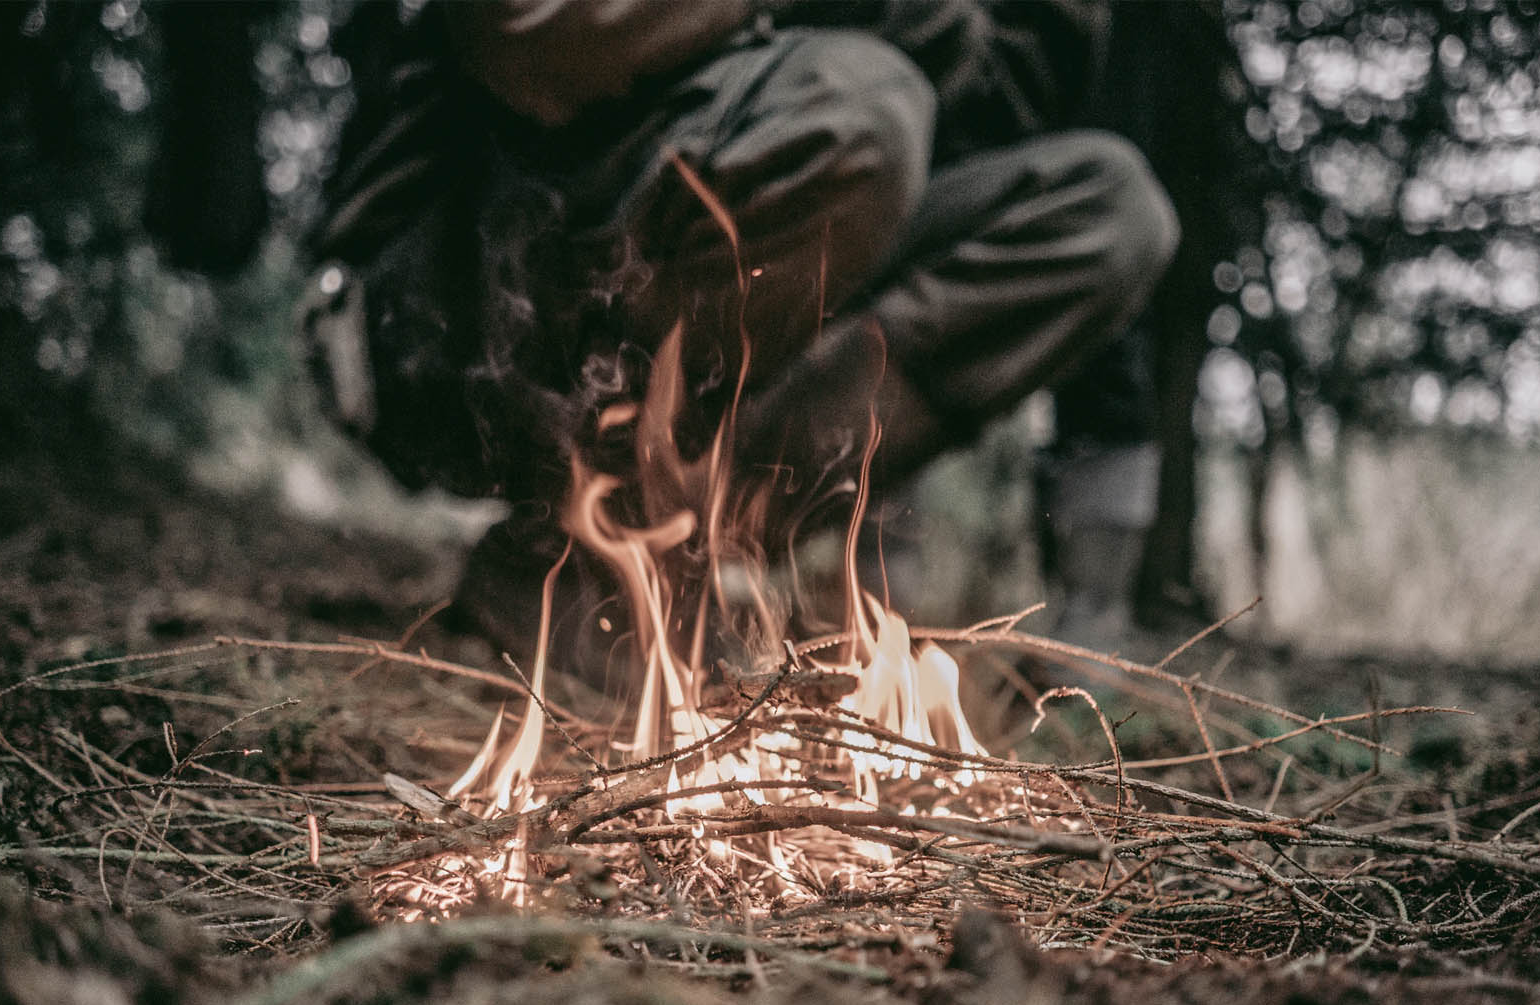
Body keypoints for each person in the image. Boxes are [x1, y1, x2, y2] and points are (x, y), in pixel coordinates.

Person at [306, 0, 1178, 681]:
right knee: (860, 105)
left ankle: (615, 562)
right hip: (452, 305)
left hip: (695, 249)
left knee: (1106, 212)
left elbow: (962, 152)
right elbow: (527, 36)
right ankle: (595, 536)